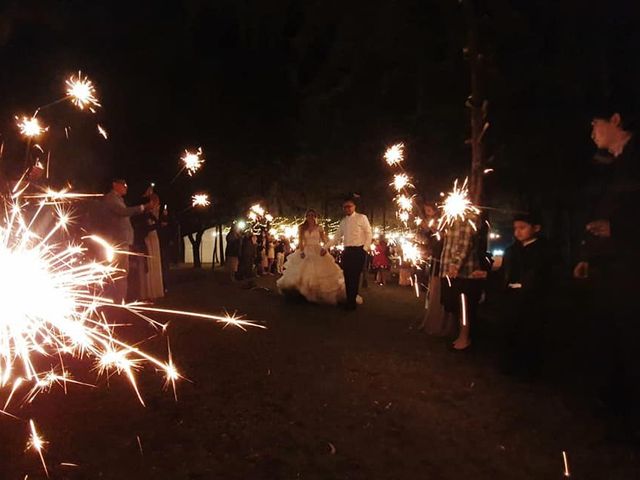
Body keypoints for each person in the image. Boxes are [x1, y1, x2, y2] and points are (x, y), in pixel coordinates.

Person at [574, 103, 640, 440]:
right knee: (609, 336)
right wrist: (588, 253)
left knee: (631, 338)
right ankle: (613, 407)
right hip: (608, 265)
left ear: (616, 119)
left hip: (631, 267)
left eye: (595, 123)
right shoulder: (609, 166)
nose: (591, 133)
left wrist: (616, 228)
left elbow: (622, 215)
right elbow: (598, 209)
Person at [498, 214, 551, 377]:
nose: (518, 232)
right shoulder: (512, 250)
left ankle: (527, 369)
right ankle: (508, 365)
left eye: (522, 228)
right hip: (512, 297)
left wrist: (527, 287)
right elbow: (505, 273)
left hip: (531, 299)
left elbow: (542, 275)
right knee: (510, 330)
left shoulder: (543, 251)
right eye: (515, 228)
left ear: (536, 228)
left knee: (528, 333)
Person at [439, 214, 487, 350]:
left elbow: (464, 244)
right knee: (455, 305)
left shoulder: (465, 220)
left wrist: (455, 265)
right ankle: (461, 335)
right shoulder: (451, 220)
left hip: (464, 274)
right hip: (451, 272)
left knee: (464, 307)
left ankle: (465, 338)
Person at [277, 209, 346, 305]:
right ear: (306, 217)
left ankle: (315, 293)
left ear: (315, 217)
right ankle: (301, 294)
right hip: (305, 249)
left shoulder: (319, 228)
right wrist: (301, 251)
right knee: (302, 271)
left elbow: (324, 239)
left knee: (318, 272)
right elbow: (301, 241)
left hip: (317, 249)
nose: (311, 217)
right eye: (309, 215)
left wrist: (326, 248)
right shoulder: (302, 227)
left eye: (312, 215)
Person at [100, 179, 149, 303]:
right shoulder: (111, 198)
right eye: (124, 185)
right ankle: (116, 300)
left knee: (122, 272)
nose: (126, 187)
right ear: (115, 185)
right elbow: (123, 212)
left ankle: (118, 299)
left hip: (122, 241)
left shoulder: (119, 199)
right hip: (117, 241)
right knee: (119, 272)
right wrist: (142, 207)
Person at [325, 198, 372, 310]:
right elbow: (337, 237)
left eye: (349, 206)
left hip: (358, 250)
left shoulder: (362, 217)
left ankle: (352, 302)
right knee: (347, 276)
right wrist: (325, 247)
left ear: (354, 207)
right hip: (347, 251)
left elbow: (369, 233)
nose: (347, 208)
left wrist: (364, 248)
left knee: (355, 277)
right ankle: (350, 299)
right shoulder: (343, 221)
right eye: (345, 207)